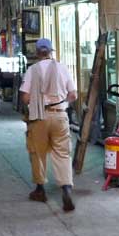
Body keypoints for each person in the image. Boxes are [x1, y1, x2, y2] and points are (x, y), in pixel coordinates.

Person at [19, 38, 77, 212]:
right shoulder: (63, 68)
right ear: (51, 51)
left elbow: (25, 98)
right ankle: (66, 188)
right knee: (62, 153)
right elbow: (73, 95)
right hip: (60, 116)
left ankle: (40, 190)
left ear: (37, 53)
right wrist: (60, 101)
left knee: (37, 153)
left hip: (39, 117)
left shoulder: (32, 70)